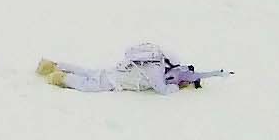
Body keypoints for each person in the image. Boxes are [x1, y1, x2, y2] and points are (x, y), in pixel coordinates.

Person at [37, 45, 209, 93]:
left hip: (115, 71)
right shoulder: (156, 70)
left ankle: (53, 65)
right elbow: (162, 90)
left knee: (88, 71)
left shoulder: (151, 62)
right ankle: (60, 78)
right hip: (113, 82)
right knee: (86, 85)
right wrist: (176, 87)